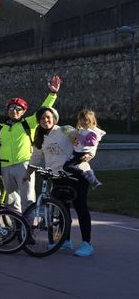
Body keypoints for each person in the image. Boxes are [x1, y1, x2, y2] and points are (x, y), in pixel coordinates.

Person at [0, 75, 60, 212]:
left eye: (18, 109)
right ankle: (16, 229)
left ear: (23, 112)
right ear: (7, 111)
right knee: (11, 201)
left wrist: (52, 93)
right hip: (5, 166)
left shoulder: (27, 123)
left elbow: (44, 109)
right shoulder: (0, 127)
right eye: (11, 108)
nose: (14, 111)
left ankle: (29, 227)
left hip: (24, 164)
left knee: (28, 198)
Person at [31, 106, 94, 257]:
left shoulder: (65, 130)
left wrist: (90, 155)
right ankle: (65, 240)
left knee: (80, 208)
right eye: (42, 119)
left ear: (54, 117)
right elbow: (36, 157)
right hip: (57, 177)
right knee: (62, 211)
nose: (46, 120)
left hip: (75, 175)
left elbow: (84, 142)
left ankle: (87, 244)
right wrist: (28, 173)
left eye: (48, 117)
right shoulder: (40, 137)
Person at [66, 109, 104, 187]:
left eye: (86, 120)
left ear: (92, 121)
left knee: (67, 166)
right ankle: (92, 178)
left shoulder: (92, 132)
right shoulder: (82, 130)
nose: (82, 122)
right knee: (69, 167)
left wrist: (78, 136)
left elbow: (91, 143)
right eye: (81, 120)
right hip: (76, 152)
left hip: (81, 154)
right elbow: (77, 141)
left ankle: (85, 173)